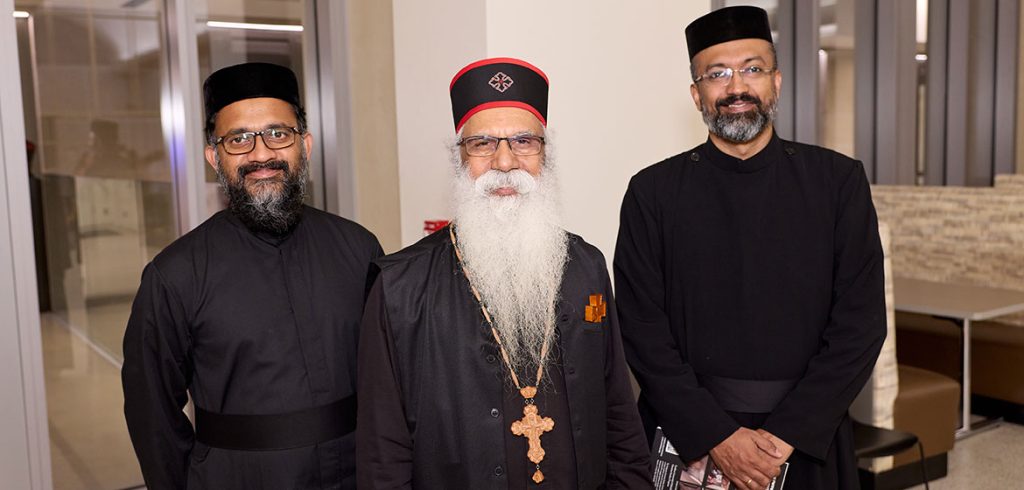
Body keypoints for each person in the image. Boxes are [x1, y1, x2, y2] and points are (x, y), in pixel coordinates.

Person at [614, 6, 886, 490]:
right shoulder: (652, 192)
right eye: (717, 74)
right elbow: (641, 329)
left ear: (776, 82)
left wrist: (783, 436)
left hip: (805, 436)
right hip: (689, 434)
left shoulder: (838, 182)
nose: (736, 87)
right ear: (697, 93)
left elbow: (860, 326)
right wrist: (718, 436)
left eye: (752, 69)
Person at [356, 57, 652, 489]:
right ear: (459, 159)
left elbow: (619, 414)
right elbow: (383, 454)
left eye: (524, 141)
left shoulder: (586, 264)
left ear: (544, 155)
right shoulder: (400, 287)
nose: (505, 161)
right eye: (482, 144)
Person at [122, 62, 382, 490]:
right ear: (214, 157)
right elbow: (152, 413)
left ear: (306, 145)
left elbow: (389, 382)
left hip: (356, 472)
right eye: (239, 139)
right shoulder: (175, 274)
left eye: (278, 134)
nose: (261, 154)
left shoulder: (358, 248)